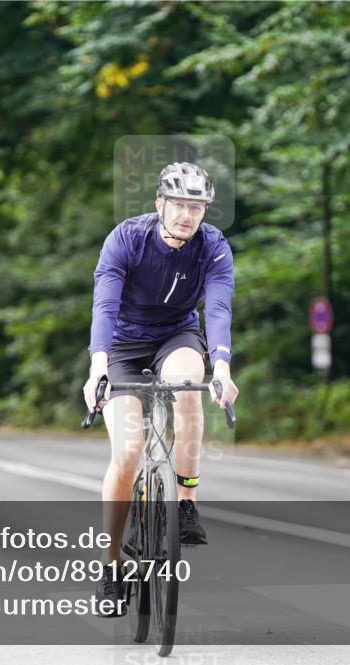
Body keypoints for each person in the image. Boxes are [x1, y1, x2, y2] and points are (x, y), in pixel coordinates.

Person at [82, 162, 239, 615]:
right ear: (159, 204)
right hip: (122, 345)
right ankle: (110, 569)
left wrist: (223, 366)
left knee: (190, 384)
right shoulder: (127, 239)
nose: (188, 215)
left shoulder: (212, 247)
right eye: (180, 205)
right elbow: (104, 307)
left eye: (197, 207)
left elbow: (219, 308)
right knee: (128, 452)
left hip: (176, 337)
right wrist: (98, 368)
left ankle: (186, 501)